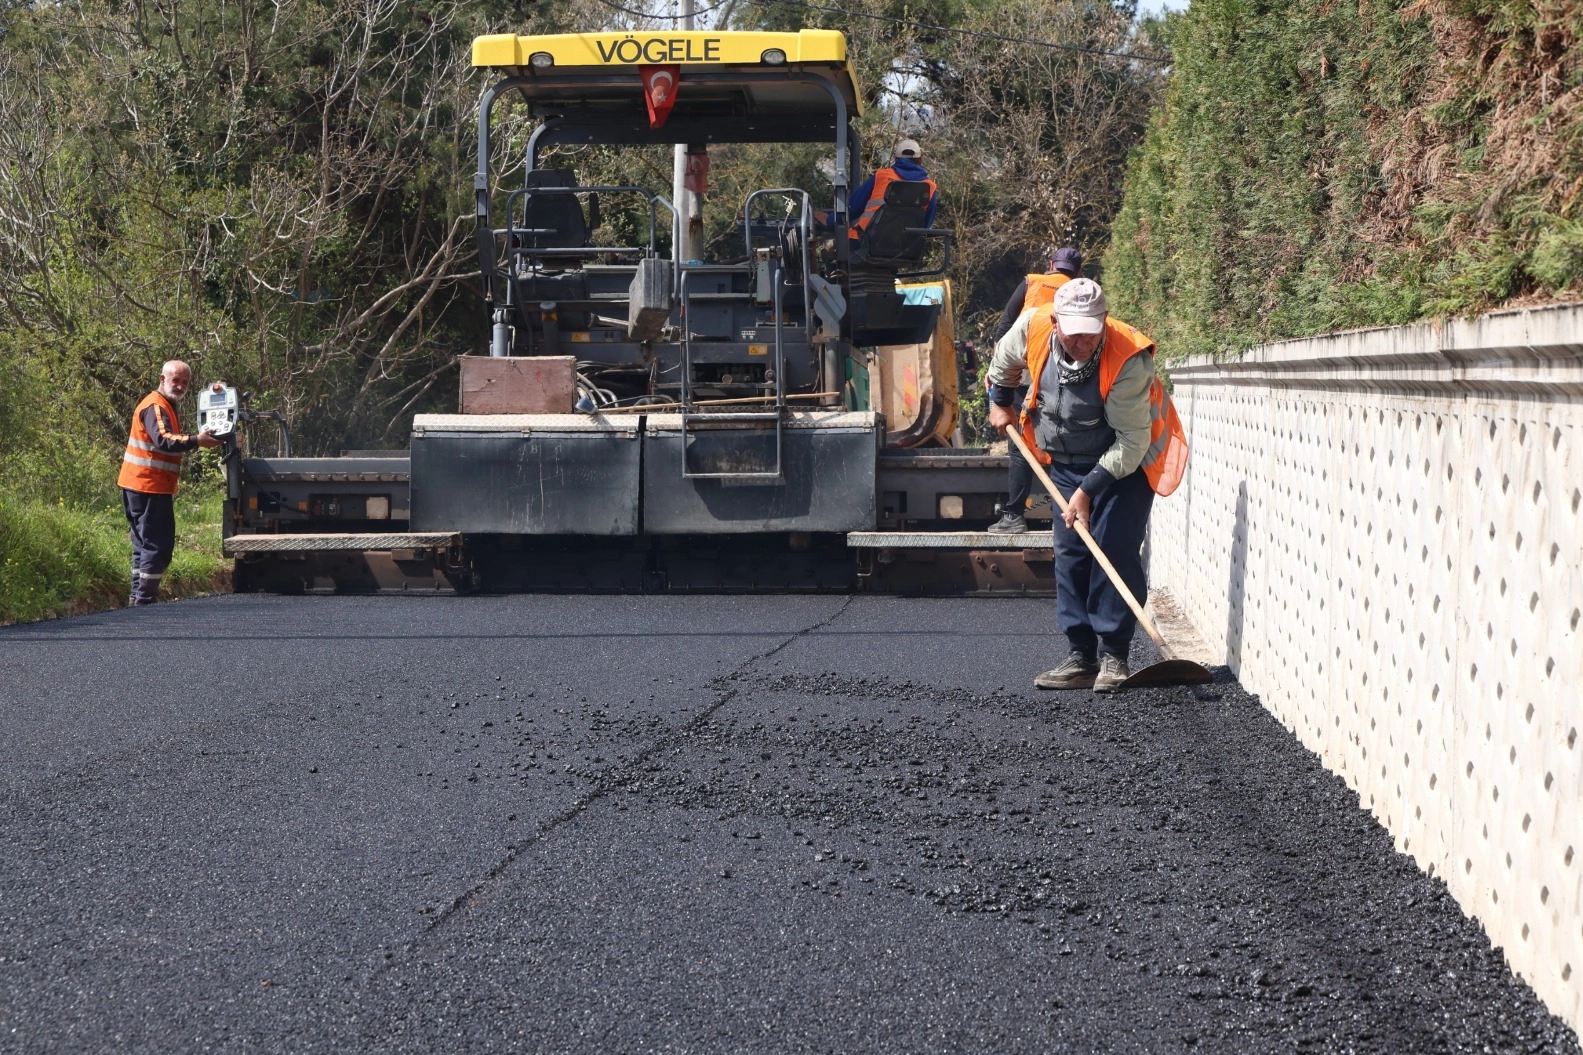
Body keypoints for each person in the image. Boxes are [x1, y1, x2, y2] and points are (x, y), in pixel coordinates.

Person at [985, 278, 1188, 692]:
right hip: (1065, 461)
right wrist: (1000, 403)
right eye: (1073, 333)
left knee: (1112, 548)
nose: (1082, 343)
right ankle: (1081, 656)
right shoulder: (1032, 326)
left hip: (1126, 464)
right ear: (1055, 322)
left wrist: (1087, 491)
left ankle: (1114, 654)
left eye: (1091, 333)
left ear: (1104, 321)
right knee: (1071, 554)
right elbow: (1002, 364)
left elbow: (1132, 443)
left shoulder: (1127, 358)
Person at [987, 247, 1084, 533]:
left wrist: (996, 372)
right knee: (1065, 444)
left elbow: (1004, 329)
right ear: (1078, 272)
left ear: (1051, 265)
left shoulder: (1031, 282)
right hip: (1065, 378)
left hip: (1023, 376)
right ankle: (1069, 517)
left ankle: (1015, 516)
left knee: (1021, 445)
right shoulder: (1082, 291)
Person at [118, 360, 221, 606]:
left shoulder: (165, 405)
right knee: (157, 547)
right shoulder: (155, 405)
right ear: (162, 379)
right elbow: (163, 440)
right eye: (176, 380)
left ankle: (137, 599)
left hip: (142, 485)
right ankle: (145, 601)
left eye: (185, 382)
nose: (180, 386)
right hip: (148, 487)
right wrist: (197, 440)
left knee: (143, 546)